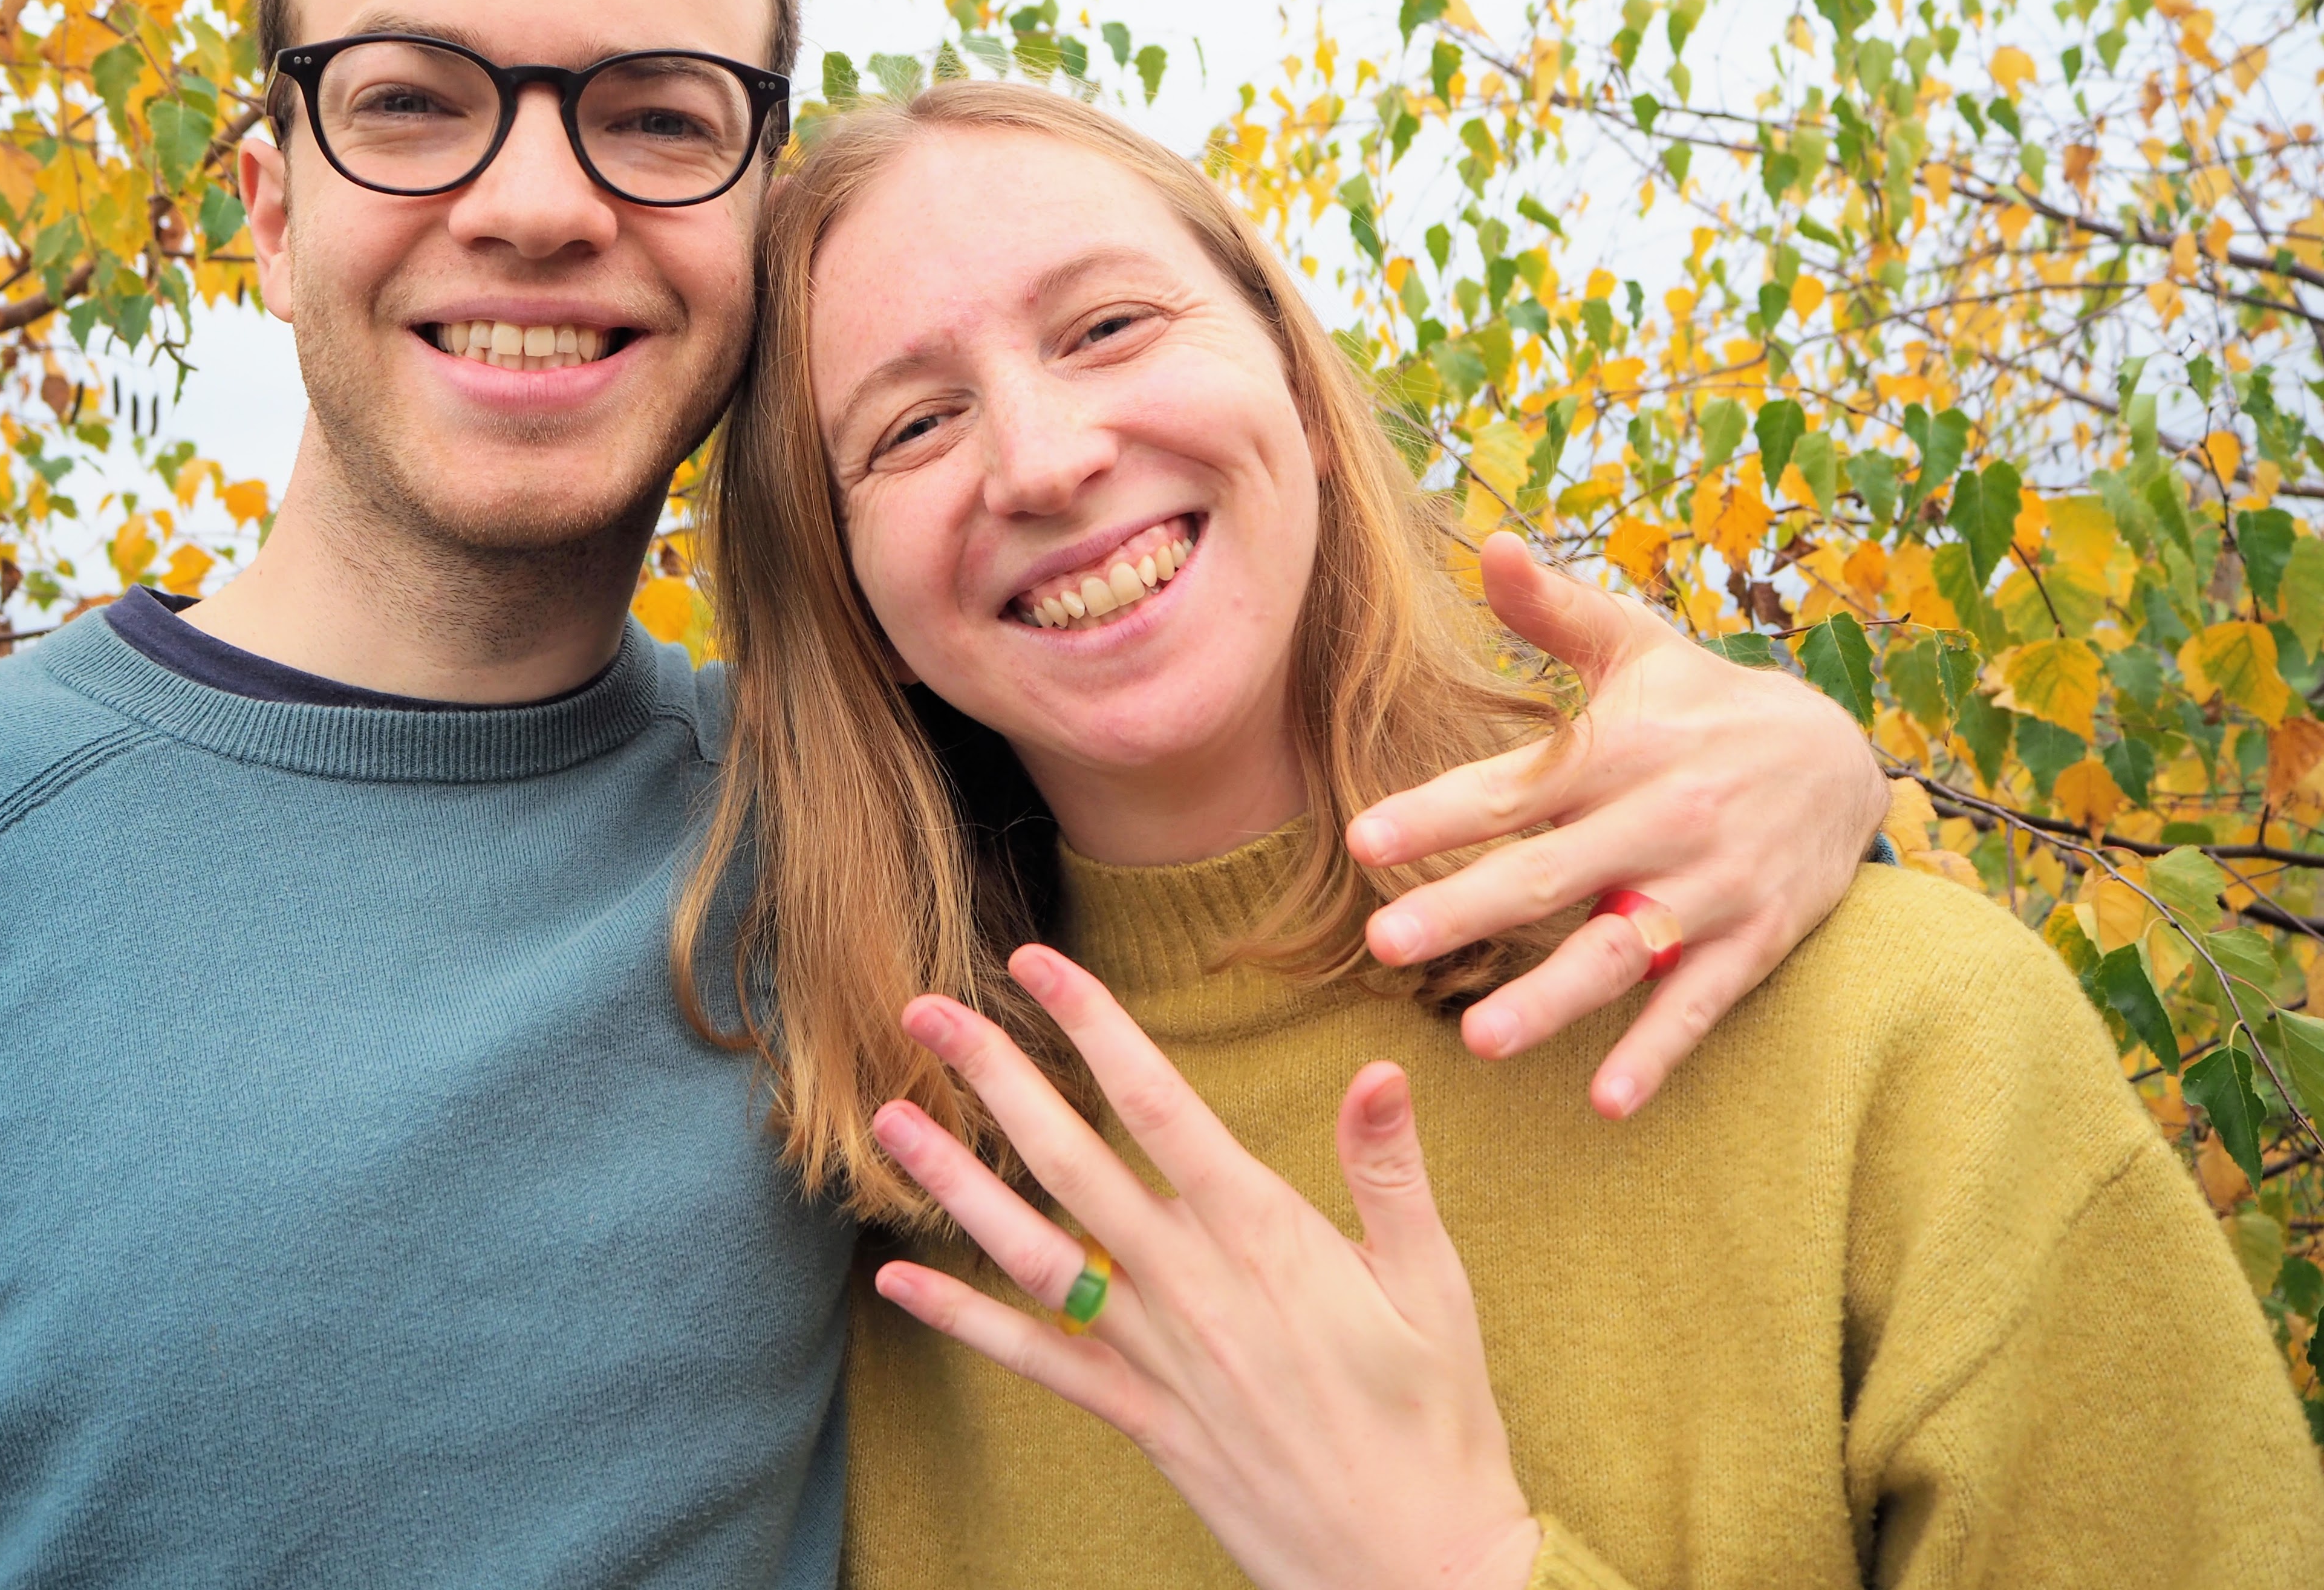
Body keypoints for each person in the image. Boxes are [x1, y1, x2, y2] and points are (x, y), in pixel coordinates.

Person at [0, 0, 1893, 1585]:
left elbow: (1241, 782)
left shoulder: (887, 852)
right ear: (267, 201)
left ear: (755, 235)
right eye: (413, 102)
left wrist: (1797, 754)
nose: (538, 197)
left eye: (656, 118)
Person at [685, 79, 2324, 1588]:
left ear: (1298, 385)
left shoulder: (1901, 1039)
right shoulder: (870, 1209)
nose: (1044, 460)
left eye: (1110, 326)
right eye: (909, 428)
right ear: (855, 597)